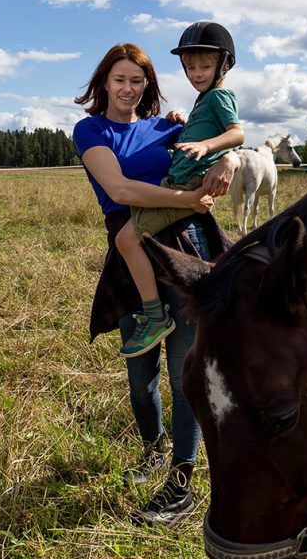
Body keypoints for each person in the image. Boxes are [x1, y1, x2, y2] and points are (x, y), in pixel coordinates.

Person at [72, 43, 240, 527]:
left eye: (138, 81)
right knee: (140, 378)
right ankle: (154, 447)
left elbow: (221, 139)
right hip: (131, 256)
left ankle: (182, 482)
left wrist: (231, 161)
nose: (129, 89)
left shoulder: (168, 126)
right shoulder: (91, 130)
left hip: (186, 250)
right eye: (121, 79)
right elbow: (120, 190)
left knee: (187, 370)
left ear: (148, 86)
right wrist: (188, 197)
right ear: (104, 82)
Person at [117, 22, 243, 357]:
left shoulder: (219, 96)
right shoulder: (204, 99)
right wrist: (182, 124)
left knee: (126, 238)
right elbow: (197, 135)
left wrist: (208, 147)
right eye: (189, 67)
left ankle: (155, 315)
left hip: (187, 187)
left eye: (204, 66)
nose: (196, 73)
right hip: (178, 182)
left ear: (224, 65)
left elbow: (236, 134)